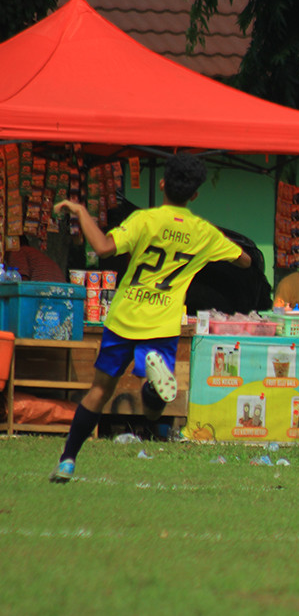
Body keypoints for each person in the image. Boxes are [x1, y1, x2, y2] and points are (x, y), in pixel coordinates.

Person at [49, 154, 251, 483]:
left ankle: (68, 460)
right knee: (154, 410)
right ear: (195, 195)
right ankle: (153, 387)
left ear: (162, 183)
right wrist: (209, 252)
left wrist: (81, 211)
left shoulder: (145, 220)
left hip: (125, 316)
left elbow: (103, 247)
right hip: (162, 323)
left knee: (99, 391)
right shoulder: (204, 232)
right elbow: (244, 261)